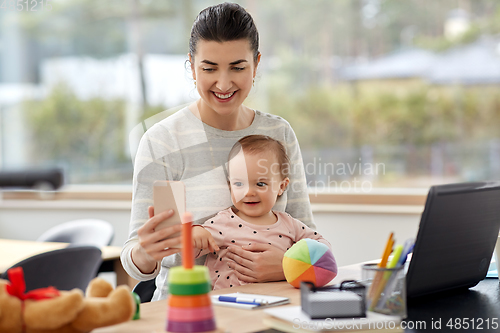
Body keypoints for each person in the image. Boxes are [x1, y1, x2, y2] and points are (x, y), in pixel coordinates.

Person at [121, 2, 315, 301]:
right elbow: (137, 263)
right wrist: (146, 252)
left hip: (273, 306)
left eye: (238, 68)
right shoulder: (163, 141)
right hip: (187, 311)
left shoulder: (279, 134)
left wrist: (288, 266)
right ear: (191, 65)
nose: (223, 84)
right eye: (209, 68)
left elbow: (309, 239)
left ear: (257, 63)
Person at [192, 135, 334, 290]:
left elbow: (322, 248)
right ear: (230, 186)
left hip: (281, 300)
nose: (248, 192)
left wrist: (293, 263)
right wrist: (196, 232)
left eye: (260, 184)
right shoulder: (224, 222)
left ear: (281, 186)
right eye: (239, 184)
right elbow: (189, 250)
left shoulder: (289, 224)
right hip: (230, 302)